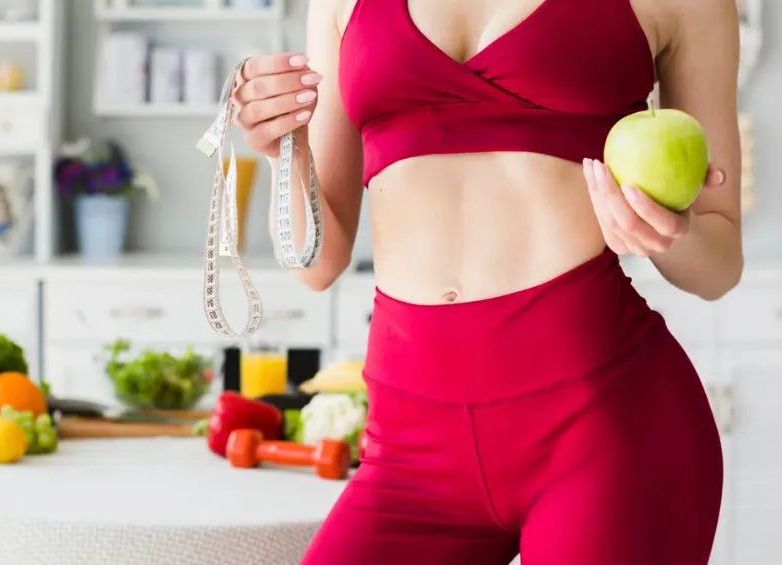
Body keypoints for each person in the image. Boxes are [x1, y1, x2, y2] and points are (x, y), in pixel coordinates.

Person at [231, 0, 742, 563]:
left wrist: (671, 230)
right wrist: (285, 146)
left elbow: (719, 265)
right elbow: (318, 264)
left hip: (603, 427)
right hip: (407, 447)